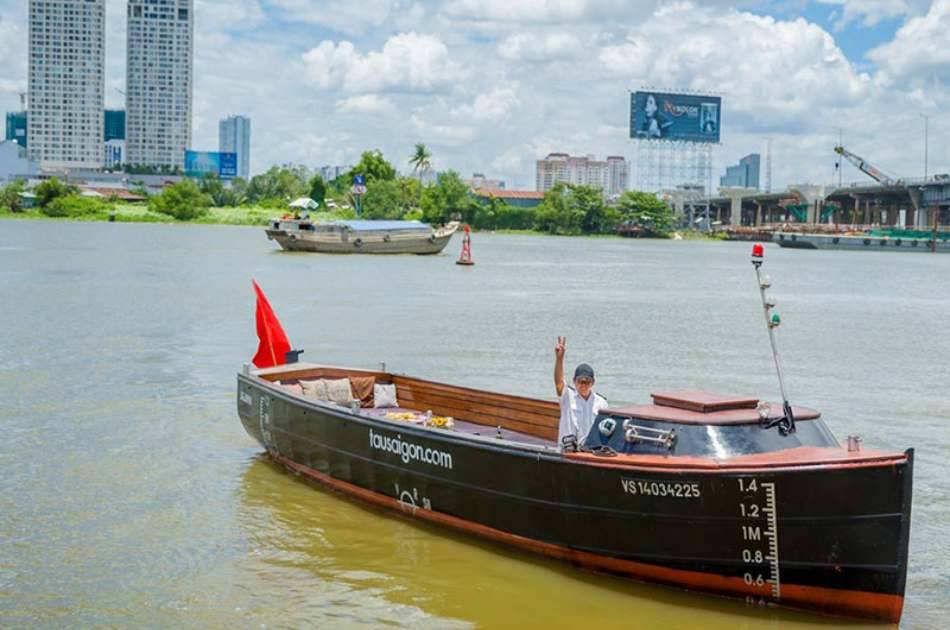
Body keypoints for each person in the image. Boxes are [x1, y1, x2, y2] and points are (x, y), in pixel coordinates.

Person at [554, 336, 608, 449]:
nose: (583, 385)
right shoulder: (567, 397)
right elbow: (558, 381)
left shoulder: (601, 403)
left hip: (590, 451)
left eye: (587, 381)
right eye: (580, 381)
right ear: (574, 381)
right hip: (567, 450)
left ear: (593, 383)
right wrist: (559, 358)